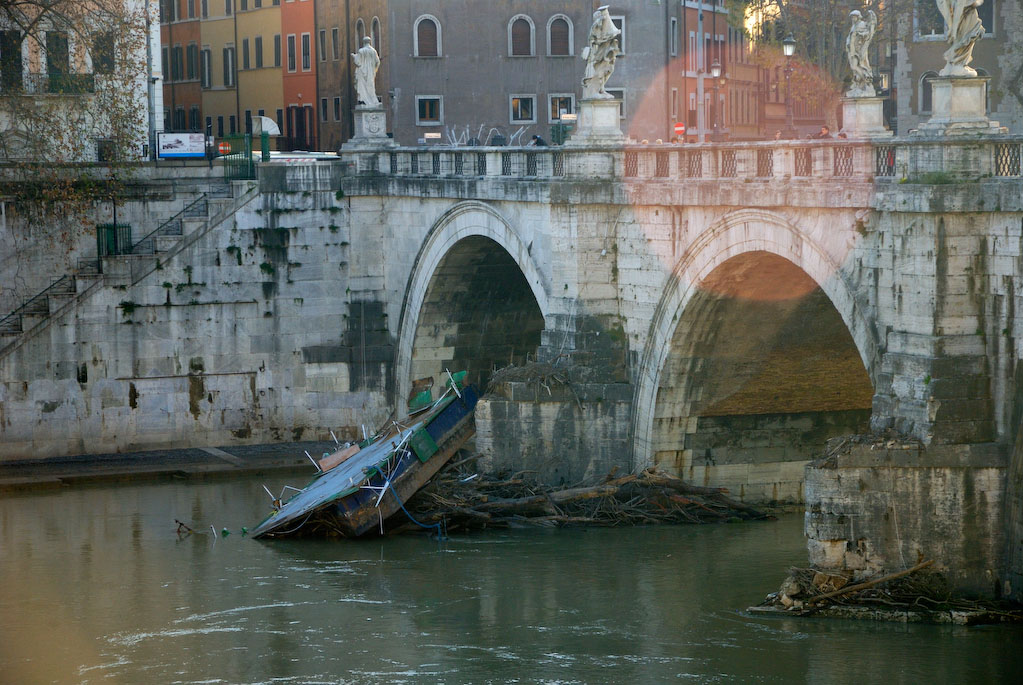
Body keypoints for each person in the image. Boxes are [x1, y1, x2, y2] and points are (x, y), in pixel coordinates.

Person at [581, 7, 621, 99]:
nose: (603, 19)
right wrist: (605, 39)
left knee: (608, 70)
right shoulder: (596, 27)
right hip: (596, 54)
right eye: (602, 16)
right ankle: (596, 90)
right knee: (599, 71)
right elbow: (596, 41)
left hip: (603, 54)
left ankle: (601, 89)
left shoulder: (602, 27)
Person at [351, 37, 380, 107]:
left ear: (363, 42)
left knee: (362, 87)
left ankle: (363, 100)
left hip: (362, 72)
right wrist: (374, 70)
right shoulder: (374, 51)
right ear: (370, 42)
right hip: (370, 72)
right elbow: (377, 62)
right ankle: (372, 101)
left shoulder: (361, 51)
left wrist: (354, 56)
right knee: (370, 87)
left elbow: (358, 62)